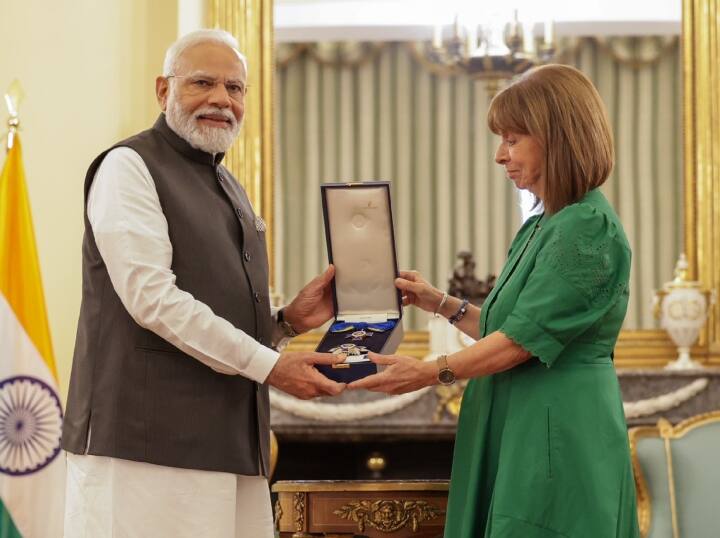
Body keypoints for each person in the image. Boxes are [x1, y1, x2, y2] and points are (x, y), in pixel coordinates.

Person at [61, 29, 345, 538]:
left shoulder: (228, 184)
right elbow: (154, 300)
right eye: (202, 83)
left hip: (231, 448)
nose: (221, 99)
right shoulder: (129, 166)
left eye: (235, 88)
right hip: (145, 450)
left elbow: (216, 312)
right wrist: (273, 366)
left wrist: (284, 324)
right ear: (163, 91)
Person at [350, 64, 640, 537]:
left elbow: (521, 343)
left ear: (557, 137)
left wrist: (428, 372)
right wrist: (441, 303)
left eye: (512, 138)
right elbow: (511, 327)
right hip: (525, 419)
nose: (499, 155)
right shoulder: (544, 224)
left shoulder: (586, 227)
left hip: (556, 430)